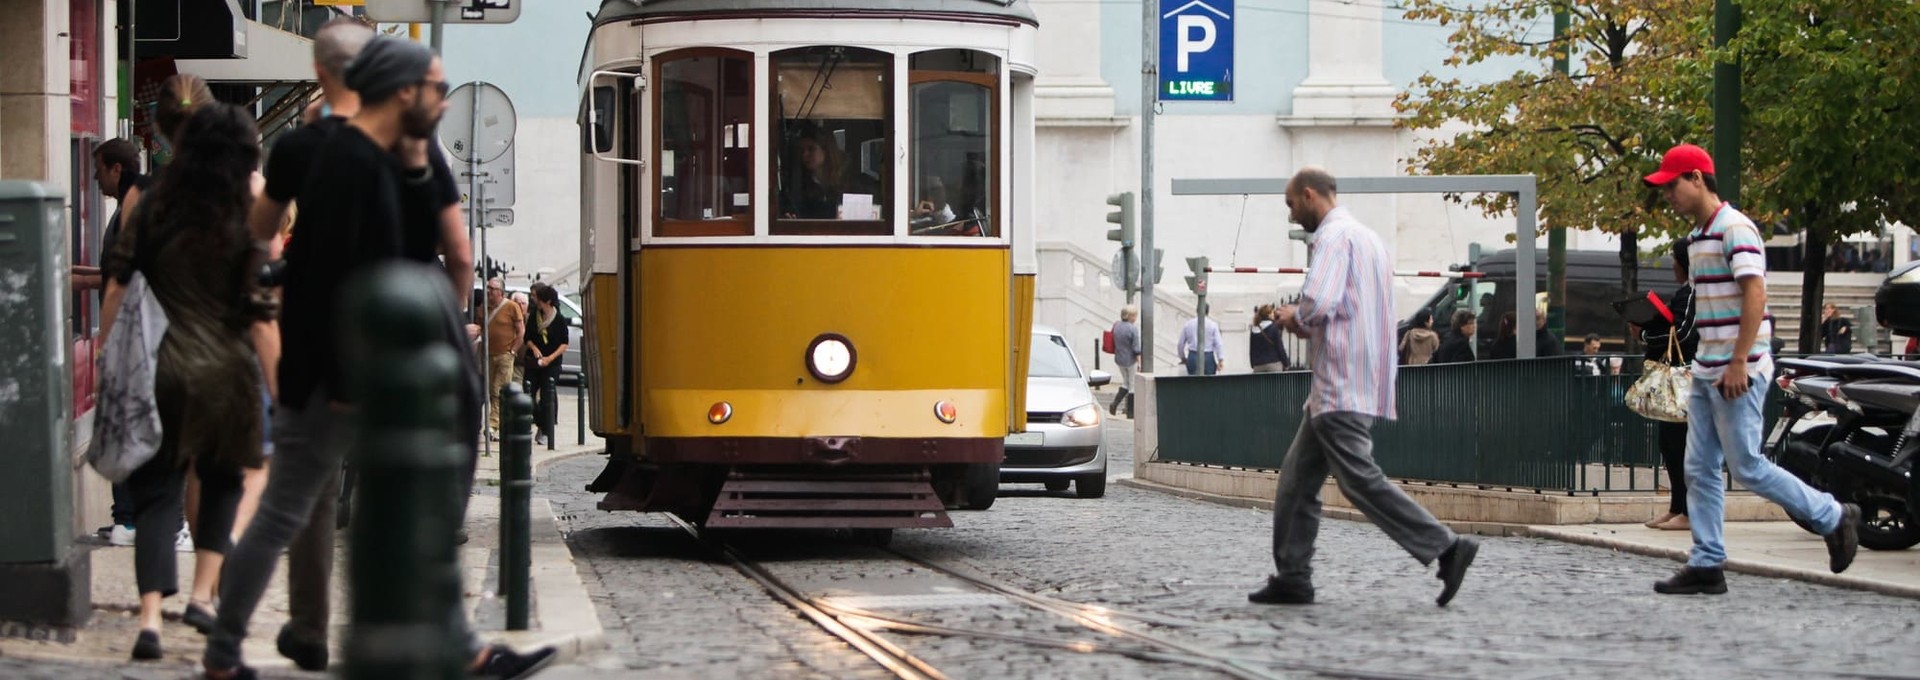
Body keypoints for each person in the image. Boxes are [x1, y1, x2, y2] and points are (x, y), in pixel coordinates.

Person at [204, 36, 553, 679]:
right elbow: (341, 278)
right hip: (338, 375)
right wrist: (345, 380)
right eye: (436, 89)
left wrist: (417, 165)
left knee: (399, 500)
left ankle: (465, 649)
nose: (443, 101)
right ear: (402, 92)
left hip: (362, 369)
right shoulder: (349, 164)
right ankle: (224, 650)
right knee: (288, 509)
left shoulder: (375, 155)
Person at [1253, 167, 1478, 607]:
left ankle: (1446, 547)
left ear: (1310, 195)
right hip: (1355, 377)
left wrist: (1293, 316)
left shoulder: (1332, 239)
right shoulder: (1370, 239)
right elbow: (1350, 308)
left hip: (1341, 380)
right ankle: (1293, 577)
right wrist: (1307, 322)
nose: (1291, 215)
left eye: (1291, 204)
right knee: (1297, 482)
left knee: (1359, 479)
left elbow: (1320, 302)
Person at [1642, 142, 1858, 595]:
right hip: (1709, 369)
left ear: (1696, 178)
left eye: (1672, 185)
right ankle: (1706, 563)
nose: (1668, 196)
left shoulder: (1734, 228)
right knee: (1698, 468)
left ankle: (1832, 515)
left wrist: (1740, 360)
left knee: (1747, 466)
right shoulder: (1699, 237)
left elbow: (1755, 294)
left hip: (1738, 368)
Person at [97, 103, 266, 662]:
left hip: (160, 368)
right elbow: (259, 309)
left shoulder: (153, 206)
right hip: (226, 373)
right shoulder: (243, 215)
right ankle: (200, 597)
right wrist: (279, 382)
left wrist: (107, 353)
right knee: (221, 484)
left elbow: (118, 285)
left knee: (155, 495)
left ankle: (149, 620)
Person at [79, 138, 150, 546]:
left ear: (116, 169)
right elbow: (112, 273)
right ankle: (126, 517)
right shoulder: (128, 206)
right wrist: (82, 277)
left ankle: (128, 519)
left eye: (98, 169)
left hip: (128, 337)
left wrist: (107, 346)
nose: (94, 178)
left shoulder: (133, 205)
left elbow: (122, 280)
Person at [1639, 244, 1698, 532]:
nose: (1672, 266)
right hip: (1679, 375)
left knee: (1680, 443)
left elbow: (1683, 333)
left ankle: (1688, 510)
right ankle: (1677, 506)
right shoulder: (1686, 293)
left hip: (1685, 376)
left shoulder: (1692, 295)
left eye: (1675, 260)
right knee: (1670, 443)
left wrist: (1646, 334)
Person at [524, 283, 570, 447]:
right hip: (534, 362)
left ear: (548, 301)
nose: (536, 302)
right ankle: (539, 420)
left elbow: (564, 343)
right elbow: (527, 337)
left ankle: (546, 429)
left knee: (547, 395)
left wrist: (550, 358)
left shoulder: (559, 319)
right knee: (528, 392)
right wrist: (534, 348)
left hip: (552, 363)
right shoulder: (534, 316)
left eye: (540, 300)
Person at [481, 278, 526, 439]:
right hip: (488, 355)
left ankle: (493, 424)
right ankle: (499, 422)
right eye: (487, 288)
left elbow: (521, 331)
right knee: (490, 390)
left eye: (492, 288)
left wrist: (513, 350)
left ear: (500, 291)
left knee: (498, 390)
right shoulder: (484, 308)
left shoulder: (512, 307)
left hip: (505, 355)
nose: (489, 291)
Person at [781, 129, 843, 219]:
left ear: (826, 150)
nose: (804, 155)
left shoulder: (845, 181)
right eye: (802, 151)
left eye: (811, 149)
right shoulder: (798, 186)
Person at [1108, 305, 1141, 417]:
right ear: (1130, 316)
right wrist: (1139, 362)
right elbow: (1136, 348)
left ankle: (1114, 404)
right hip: (1130, 360)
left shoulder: (1117, 326)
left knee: (1126, 382)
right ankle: (1131, 412)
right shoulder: (1133, 329)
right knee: (1132, 385)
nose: (1135, 317)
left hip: (1119, 359)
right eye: (1134, 315)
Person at [1176, 309, 1225, 375]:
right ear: (1208, 311)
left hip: (1193, 356)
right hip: (1208, 357)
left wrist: (1183, 358)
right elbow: (1218, 344)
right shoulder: (1213, 325)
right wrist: (1220, 359)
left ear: (1197, 311)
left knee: (1193, 380)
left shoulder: (1188, 324)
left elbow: (1180, 344)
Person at [1250, 304, 1291, 372]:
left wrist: (1253, 364)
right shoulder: (1273, 327)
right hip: (1273, 363)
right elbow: (1279, 347)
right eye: (1272, 313)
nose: (1273, 315)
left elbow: (1252, 349)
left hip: (1258, 365)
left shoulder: (1254, 328)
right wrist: (1286, 363)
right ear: (1268, 315)